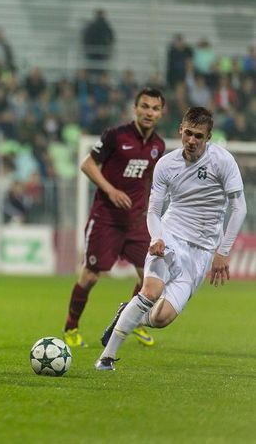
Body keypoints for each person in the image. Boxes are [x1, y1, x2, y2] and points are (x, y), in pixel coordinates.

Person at [96, 107, 247, 371]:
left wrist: (222, 252)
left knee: (162, 318)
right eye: (188, 133)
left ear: (208, 137)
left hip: (201, 251)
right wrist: (157, 237)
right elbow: (154, 211)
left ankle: (129, 315)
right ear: (180, 129)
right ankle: (106, 358)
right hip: (171, 236)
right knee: (150, 291)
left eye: (198, 136)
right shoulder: (166, 165)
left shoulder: (223, 162)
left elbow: (239, 208)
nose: (191, 140)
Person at [62, 87, 166, 349]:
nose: (149, 112)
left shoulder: (158, 146)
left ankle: (132, 322)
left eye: (154, 108)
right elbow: (87, 164)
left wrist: (150, 209)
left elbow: (150, 180)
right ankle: (71, 327)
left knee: (150, 278)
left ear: (160, 113)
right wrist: (111, 190)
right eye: (144, 106)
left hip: (136, 222)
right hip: (106, 218)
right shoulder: (116, 136)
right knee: (90, 277)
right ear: (135, 108)